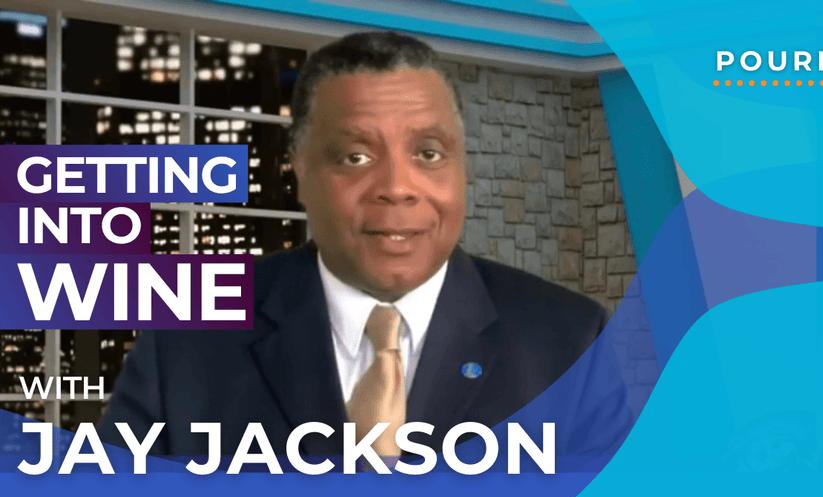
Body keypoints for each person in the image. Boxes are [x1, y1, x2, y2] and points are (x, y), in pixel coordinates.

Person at [98, 31, 633, 463]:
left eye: (428, 153)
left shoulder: (569, 342)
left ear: (463, 169)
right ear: (299, 172)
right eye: (354, 157)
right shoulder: (188, 337)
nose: (397, 186)